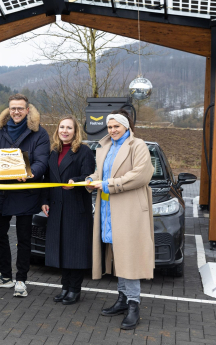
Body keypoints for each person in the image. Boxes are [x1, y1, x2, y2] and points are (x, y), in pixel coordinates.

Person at [85, 109, 154, 330]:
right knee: (118, 254)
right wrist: (89, 180)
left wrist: (108, 184)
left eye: (117, 126)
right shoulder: (105, 146)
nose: (113, 130)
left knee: (129, 255)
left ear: (127, 126)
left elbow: (141, 175)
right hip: (109, 208)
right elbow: (100, 174)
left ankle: (134, 304)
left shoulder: (138, 146)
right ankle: (123, 299)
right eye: (110, 126)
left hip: (129, 210)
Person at [0, 94, 49, 297]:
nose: (16, 112)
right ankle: (5, 276)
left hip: (26, 192)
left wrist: (30, 173)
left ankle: (21, 279)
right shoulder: (0, 129)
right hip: (2, 192)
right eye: (13, 108)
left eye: (20, 108)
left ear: (28, 110)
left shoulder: (39, 133)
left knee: (23, 238)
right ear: (8, 109)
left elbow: (42, 161)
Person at [40, 116, 95, 305]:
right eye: (61, 127)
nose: (64, 130)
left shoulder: (84, 152)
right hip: (56, 206)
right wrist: (45, 200)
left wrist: (77, 182)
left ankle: (74, 289)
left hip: (76, 208)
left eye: (69, 128)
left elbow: (89, 176)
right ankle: (65, 287)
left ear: (75, 131)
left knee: (75, 251)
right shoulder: (53, 152)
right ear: (57, 130)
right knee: (62, 249)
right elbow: (47, 179)